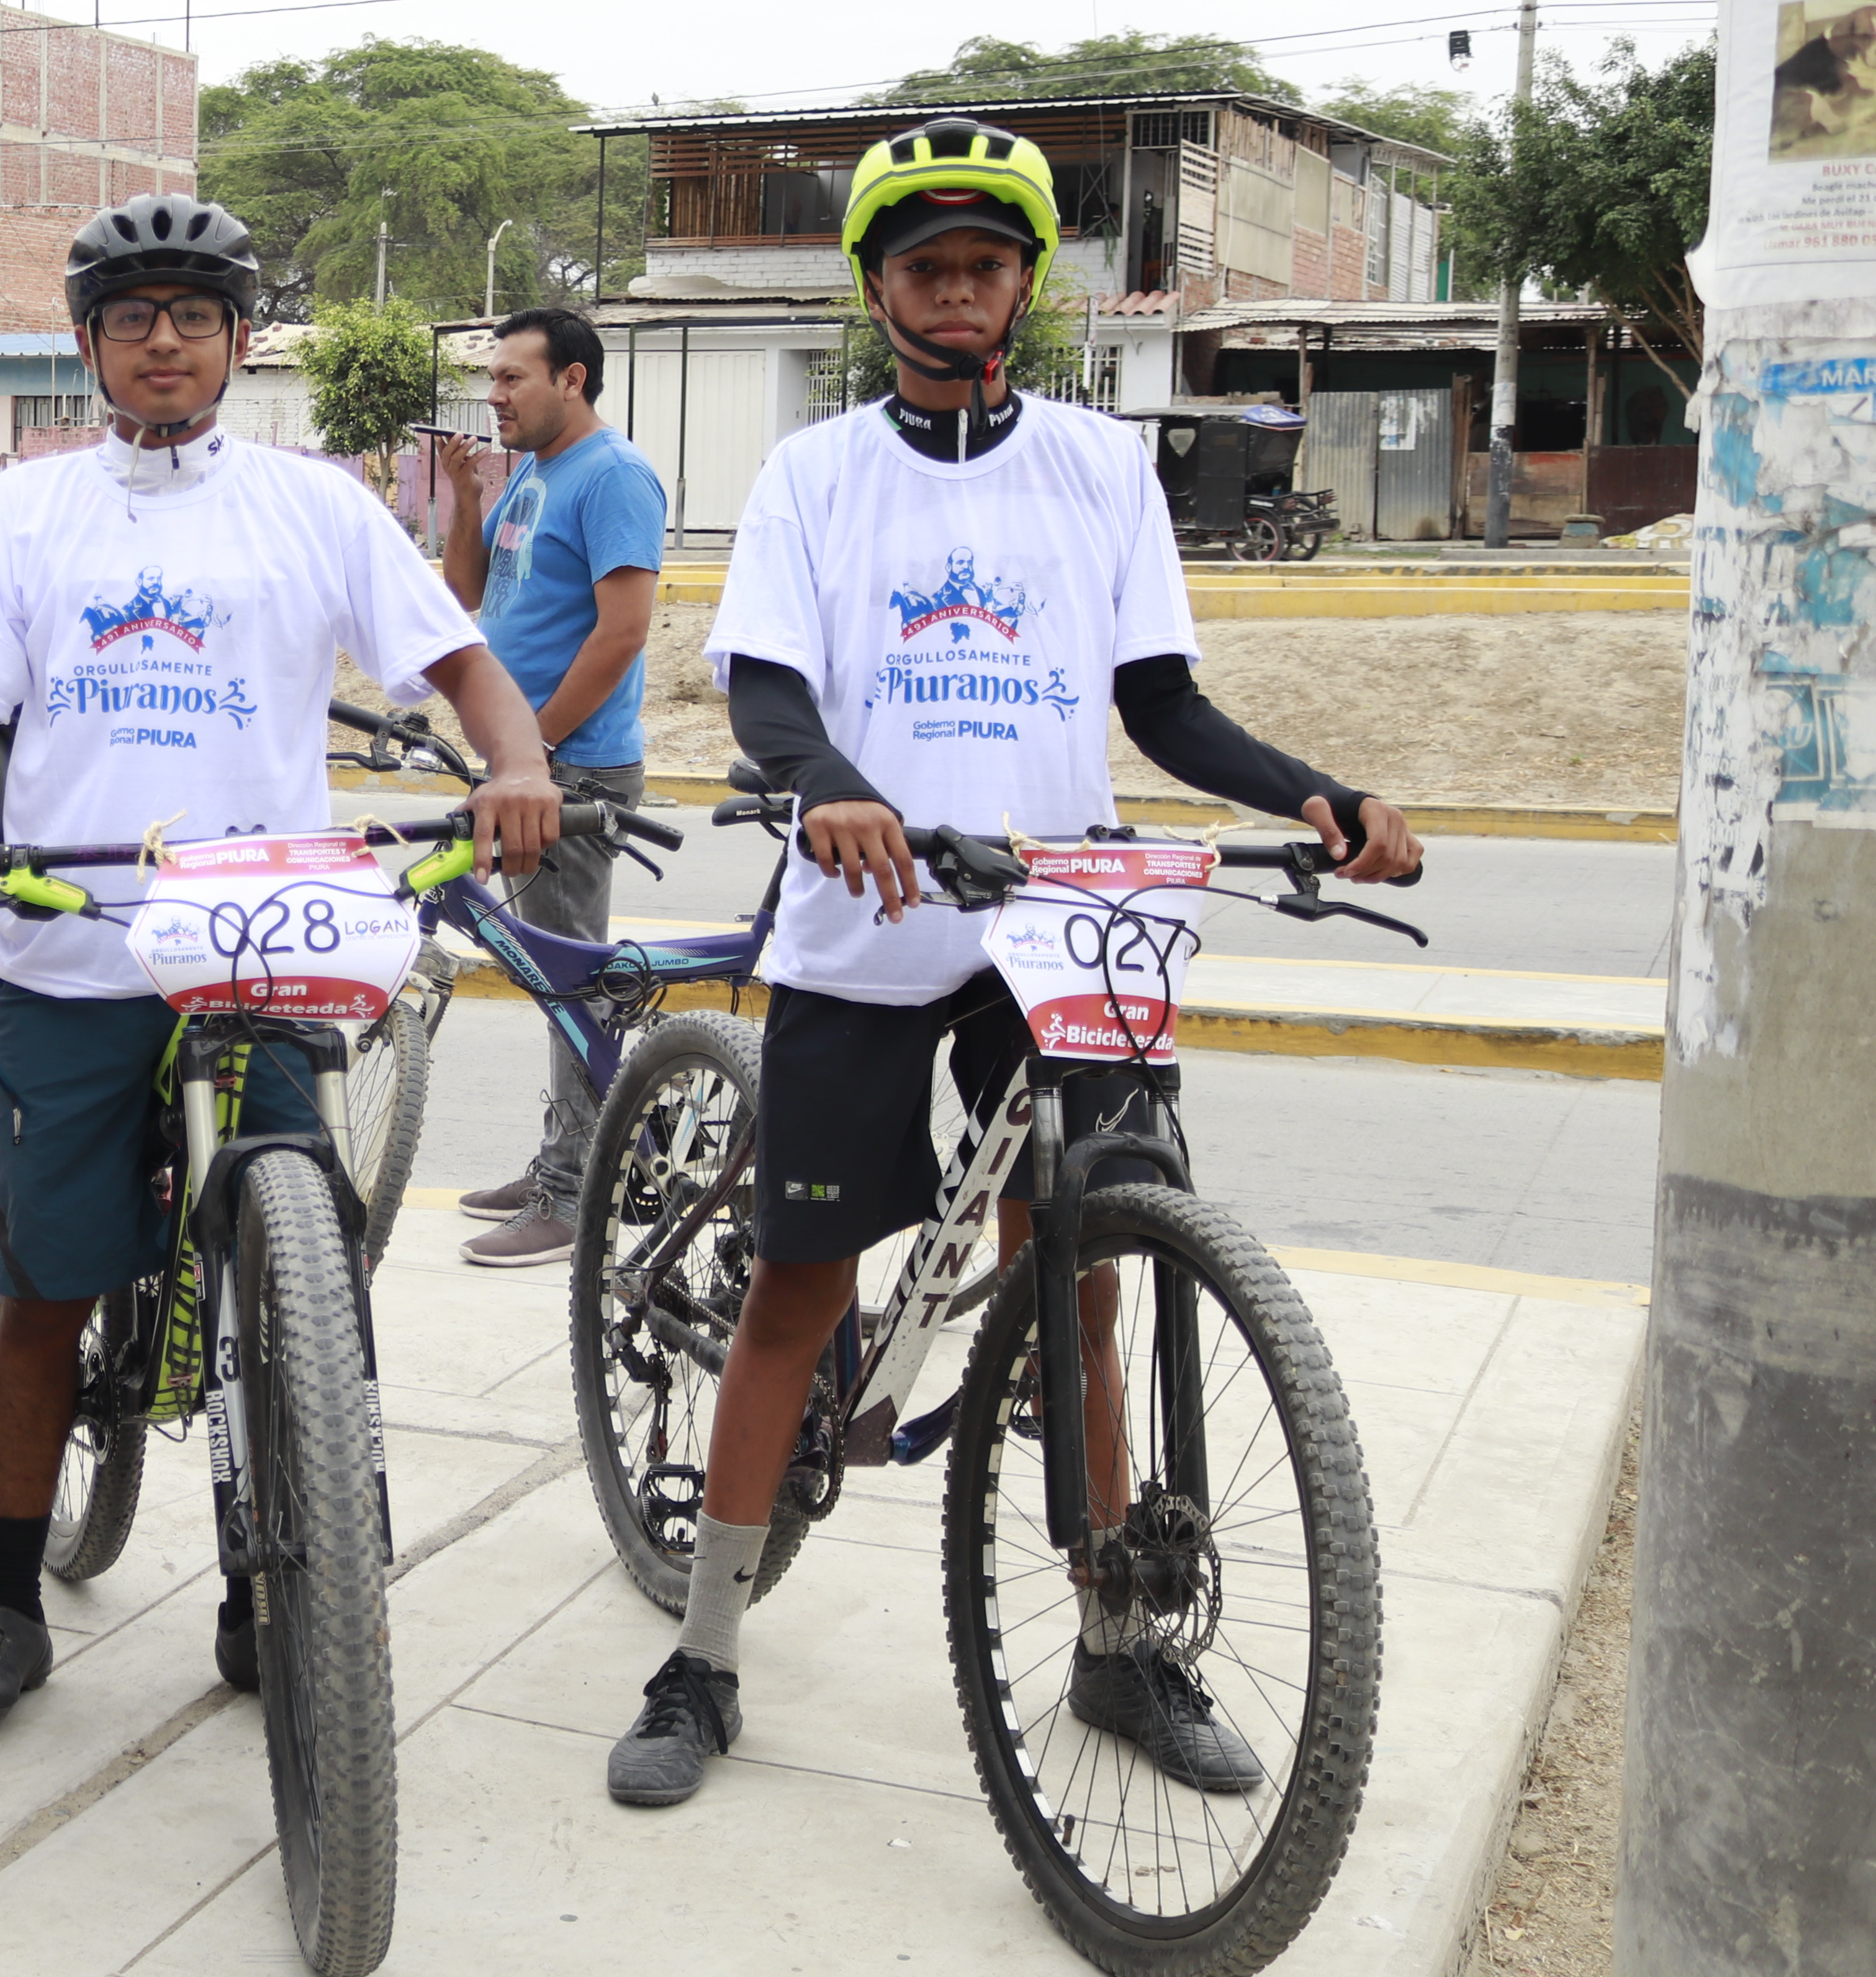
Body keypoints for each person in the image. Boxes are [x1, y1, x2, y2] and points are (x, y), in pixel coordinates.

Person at [605, 116, 1420, 1811]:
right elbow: (767, 694)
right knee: (799, 1290)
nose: (957, 293)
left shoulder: (1104, 470)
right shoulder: (816, 475)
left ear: (1029, 286)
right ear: (880, 286)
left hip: (1065, 920)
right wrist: (828, 792)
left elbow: (1161, 706)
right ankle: (703, 1655)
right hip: (868, 924)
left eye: (986, 266)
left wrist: (1319, 795)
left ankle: (1120, 1647)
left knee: (1093, 1276)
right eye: (925, 265)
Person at [0, 191, 562, 1726]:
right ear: (89, 342)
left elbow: (457, 663)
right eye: (134, 316)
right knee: (45, 1290)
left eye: (195, 315)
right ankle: (4, 1598)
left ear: (241, 340)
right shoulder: (28, 512)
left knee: (293, 1268)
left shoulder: (314, 504)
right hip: (76, 945)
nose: (165, 340)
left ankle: (280, 1572)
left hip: (262, 948)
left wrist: (513, 761)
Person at [430, 306, 667, 1267]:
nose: (495, 396)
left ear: (572, 379)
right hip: (530, 767)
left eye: (512, 379)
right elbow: (470, 596)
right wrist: (463, 495)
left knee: (572, 981)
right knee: (551, 977)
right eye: (492, 380)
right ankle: (570, 1158)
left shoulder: (613, 475)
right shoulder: (533, 469)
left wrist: (535, 754)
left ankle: (580, 1194)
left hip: (571, 769)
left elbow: (623, 632)